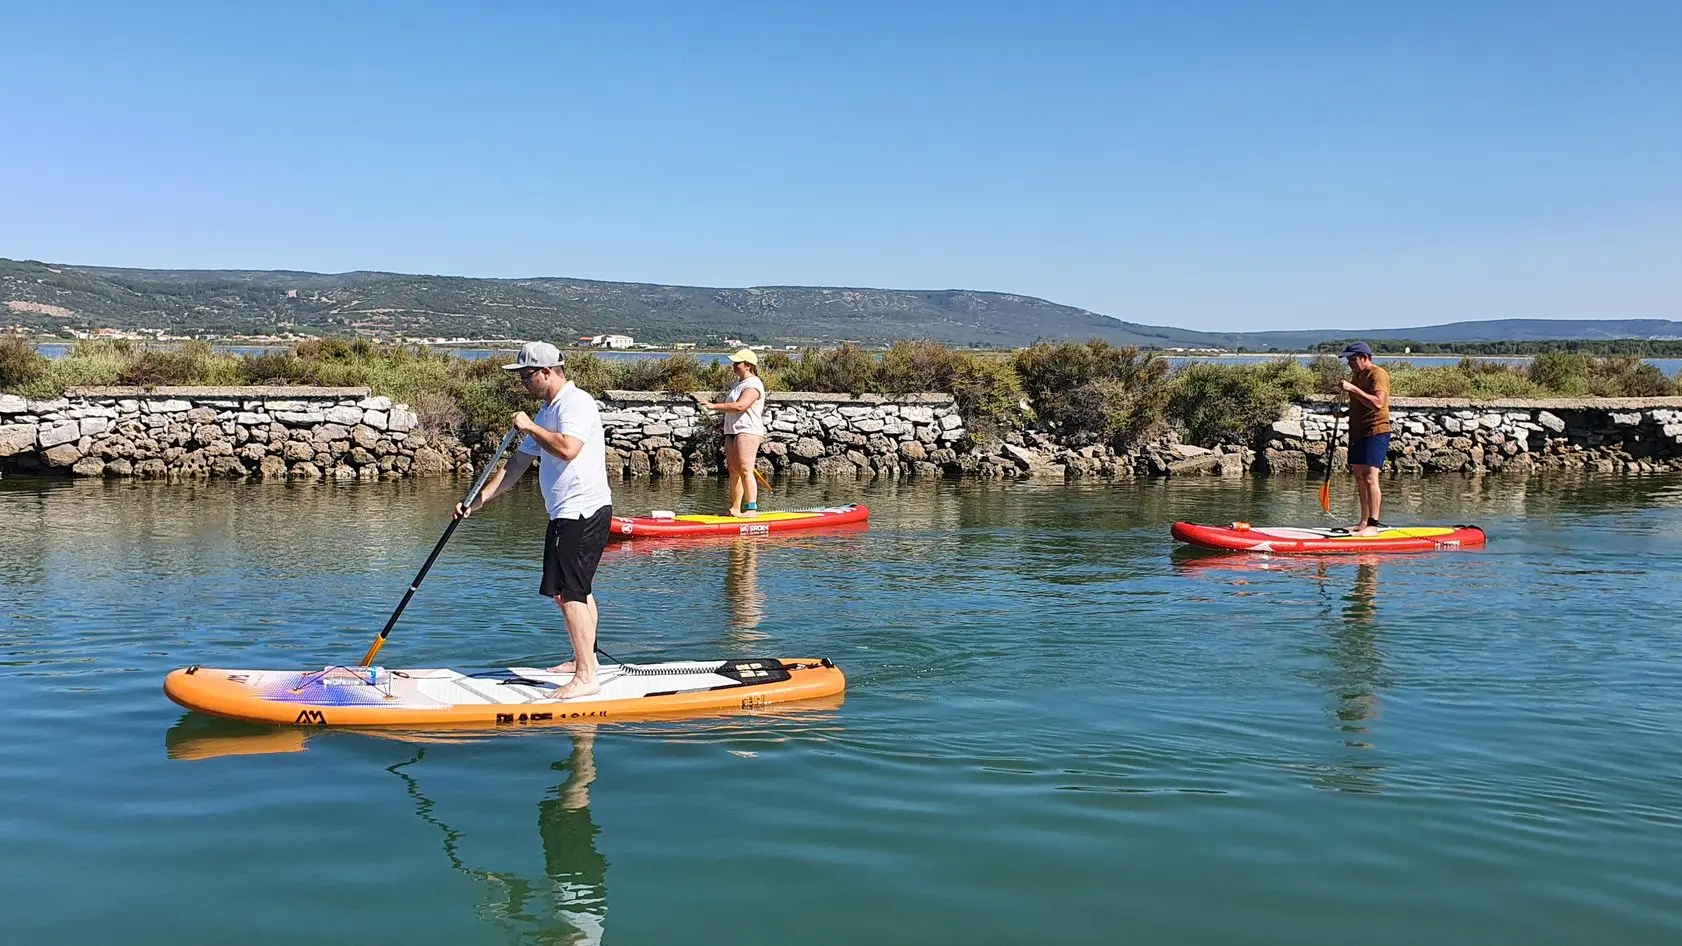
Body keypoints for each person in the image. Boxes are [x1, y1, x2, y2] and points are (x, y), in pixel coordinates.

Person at [454, 341, 614, 700]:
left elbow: (568, 448)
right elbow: (515, 468)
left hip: (584, 510)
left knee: (572, 591)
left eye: (527, 376)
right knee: (567, 592)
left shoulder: (576, 403)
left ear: (547, 371)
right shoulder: (545, 412)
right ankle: (582, 660)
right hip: (563, 512)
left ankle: (587, 677)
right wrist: (476, 501)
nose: (522, 382)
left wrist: (529, 427)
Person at [699, 348, 767, 517]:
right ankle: (735, 508)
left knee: (745, 468)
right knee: (733, 469)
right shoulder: (738, 384)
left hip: (748, 430)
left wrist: (713, 406)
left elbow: (740, 406)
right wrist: (722, 425)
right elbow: (733, 409)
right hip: (732, 430)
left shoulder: (754, 384)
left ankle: (751, 508)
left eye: (737, 363)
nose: (733, 365)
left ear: (748, 366)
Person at [1338, 342, 1392, 537]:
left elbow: (1378, 403)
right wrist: (1344, 414)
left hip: (1375, 431)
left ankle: (1373, 524)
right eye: (1348, 360)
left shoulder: (1378, 374)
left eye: (1353, 360)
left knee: (1370, 476)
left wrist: (1353, 389)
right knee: (1359, 476)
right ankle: (1363, 522)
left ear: (1365, 358)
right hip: (1358, 432)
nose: (1350, 364)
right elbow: (1360, 403)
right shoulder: (1357, 375)